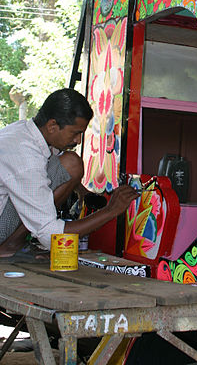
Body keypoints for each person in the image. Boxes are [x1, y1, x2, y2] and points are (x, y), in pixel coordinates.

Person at [0, 88, 138, 260]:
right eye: (75, 133)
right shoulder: (26, 158)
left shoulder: (24, 131)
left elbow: (56, 168)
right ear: (52, 126)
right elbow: (51, 235)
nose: (78, 140)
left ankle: (13, 242)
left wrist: (82, 191)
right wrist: (110, 211)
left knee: (71, 164)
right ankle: (10, 245)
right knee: (71, 164)